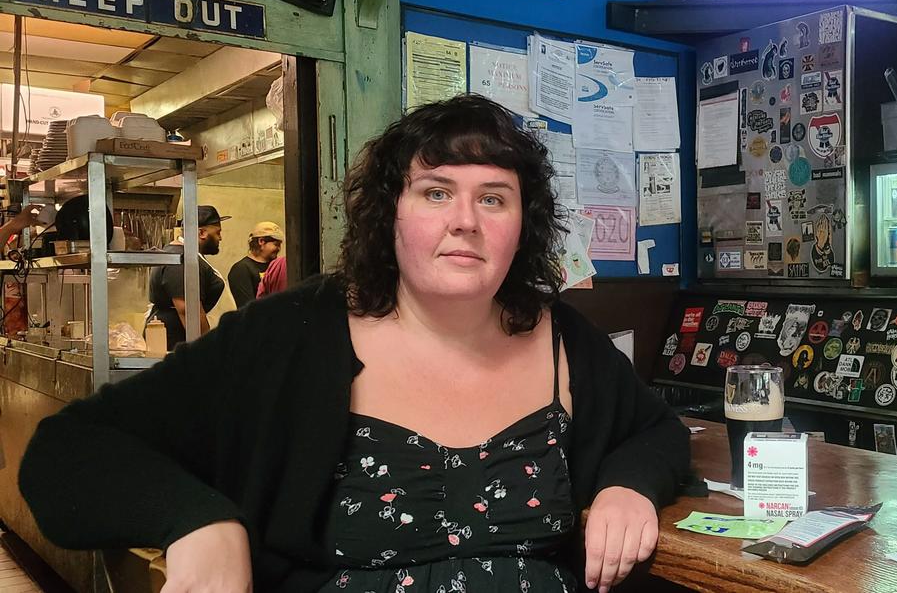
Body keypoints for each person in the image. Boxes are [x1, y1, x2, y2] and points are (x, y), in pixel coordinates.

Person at [19, 95, 690, 593]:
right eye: (435, 192)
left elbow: (659, 433)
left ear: (524, 225)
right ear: (389, 213)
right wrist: (200, 524)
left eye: (494, 199)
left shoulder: (562, 338)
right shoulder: (290, 335)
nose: (464, 222)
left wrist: (630, 487)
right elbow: (66, 452)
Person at [146, 205, 228, 350]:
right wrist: (206, 351)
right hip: (176, 343)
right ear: (202, 232)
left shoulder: (186, 255)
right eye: (217, 232)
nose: (220, 238)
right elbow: (188, 310)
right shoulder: (181, 259)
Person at [228, 222, 283, 309]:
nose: (279, 248)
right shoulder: (241, 269)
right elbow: (247, 308)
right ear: (261, 241)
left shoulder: (276, 266)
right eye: (276, 244)